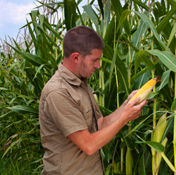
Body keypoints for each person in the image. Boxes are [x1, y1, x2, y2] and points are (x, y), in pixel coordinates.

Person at [38, 26, 148, 174]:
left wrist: (127, 104)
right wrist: (124, 118)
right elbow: (88, 145)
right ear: (76, 57)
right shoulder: (58, 92)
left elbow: (100, 124)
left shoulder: (81, 83)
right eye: (94, 60)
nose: (98, 65)